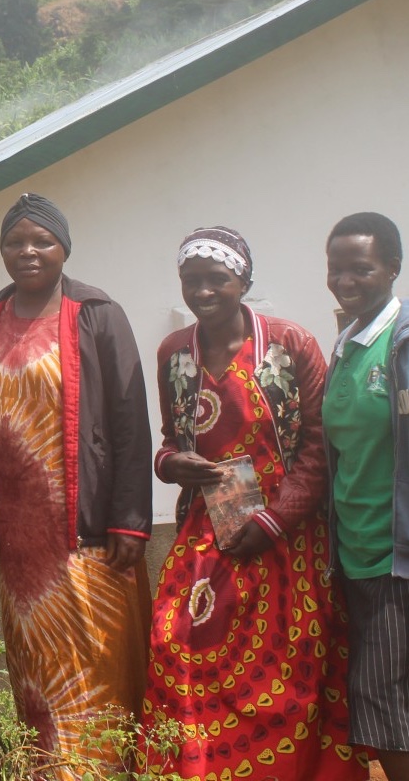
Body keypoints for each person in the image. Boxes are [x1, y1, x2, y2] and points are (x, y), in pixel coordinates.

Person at [144, 226, 362, 780]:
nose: (203, 292)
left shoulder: (290, 344)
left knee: (287, 671)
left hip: (286, 529)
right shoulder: (174, 353)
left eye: (216, 279)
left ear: (243, 280)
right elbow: (171, 439)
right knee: (178, 643)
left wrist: (273, 520)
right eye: (191, 281)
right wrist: (171, 464)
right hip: (208, 524)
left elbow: (318, 444)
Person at [0, 193, 151, 779]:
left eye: (42, 240)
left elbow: (128, 419)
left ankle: (108, 770)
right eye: (16, 241)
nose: (29, 251)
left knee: (98, 658)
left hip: (87, 529)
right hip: (22, 544)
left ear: (65, 247)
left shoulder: (96, 312)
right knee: (38, 668)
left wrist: (129, 519)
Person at [324, 212, 409, 781]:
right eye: (336, 269)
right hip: (354, 550)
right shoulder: (347, 344)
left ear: (394, 269)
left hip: (395, 553)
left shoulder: (400, 347)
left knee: (380, 695)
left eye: (362, 269)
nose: (345, 280)